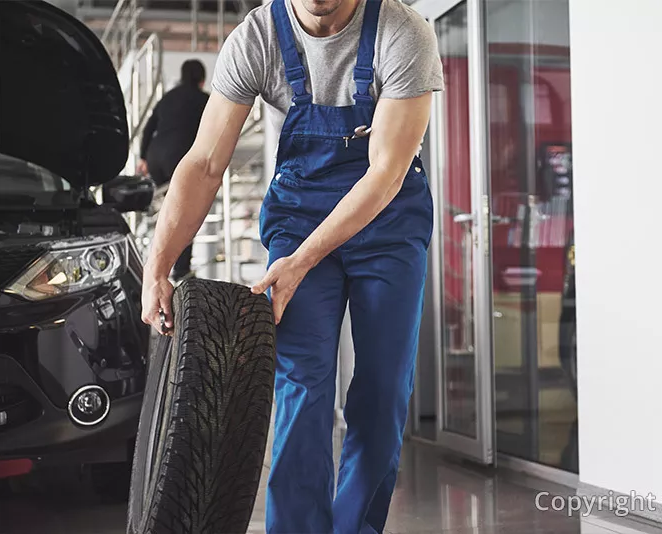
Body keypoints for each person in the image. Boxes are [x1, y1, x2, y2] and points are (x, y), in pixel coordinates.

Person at [140, 0, 443, 532]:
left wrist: (303, 260)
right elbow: (205, 162)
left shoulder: (404, 33)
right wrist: (157, 265)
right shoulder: (256, 38)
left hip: (388, 221)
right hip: (300, 216)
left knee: (382, 390)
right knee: (302, 384)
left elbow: (387, 171)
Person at [137, 59, 210, 281]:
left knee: (167, 212)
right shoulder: (204, 99)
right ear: (202, 79)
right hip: (178, 157)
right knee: (186, 211)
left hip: (155, 156)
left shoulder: (167, 97)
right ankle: (180, 269)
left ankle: (156, 265)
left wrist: (143, 157)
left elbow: (149, 127)